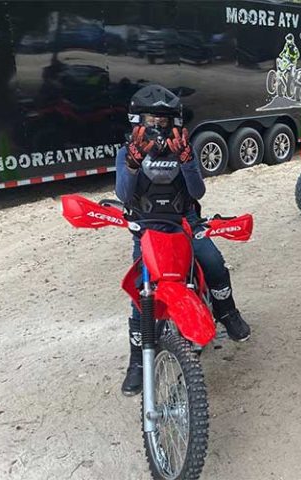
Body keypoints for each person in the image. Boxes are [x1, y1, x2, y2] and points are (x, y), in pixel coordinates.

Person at [115, 84, 251, 396]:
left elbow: (197, 192)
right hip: (147, 227)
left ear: (175, 122)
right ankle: (137, 360)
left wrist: (188, 160)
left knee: (214, 263)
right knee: (141, 290)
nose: (158, 127)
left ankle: (227, 311)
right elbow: (123, 194)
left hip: (185, 222)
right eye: (151, 120)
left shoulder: (183, 149)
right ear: (137, 121)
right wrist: (133, 165)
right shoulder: (126, 151)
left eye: (164, 121)